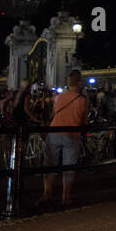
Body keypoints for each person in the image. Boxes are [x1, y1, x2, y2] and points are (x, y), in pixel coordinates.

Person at [39, 69, 89, 207]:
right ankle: (66, 196)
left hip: (54, 131)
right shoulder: (82, 100)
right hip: (72, 134)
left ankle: (47, 193)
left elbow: (54, 112)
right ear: (79, 83)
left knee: (49, 163)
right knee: (69, 166)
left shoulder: (59, 97)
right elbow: (83, 120)